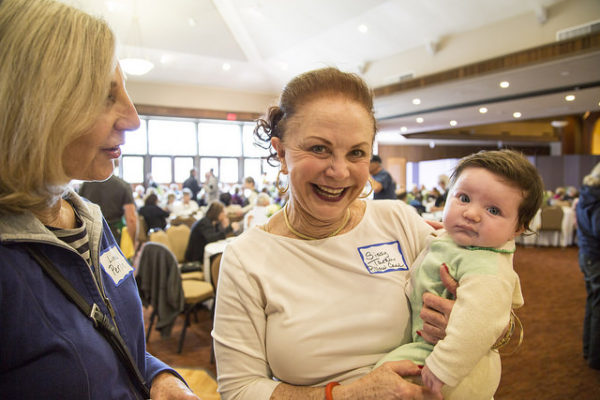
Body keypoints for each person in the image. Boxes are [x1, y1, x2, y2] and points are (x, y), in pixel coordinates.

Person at [212, 67, 468, 400]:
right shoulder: (247, 258)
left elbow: (492, 299)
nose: (339, 171)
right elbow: (239, 389)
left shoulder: (400, 222)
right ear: (280, 153)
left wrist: (473, 324)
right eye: (319, 149)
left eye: (356, 153)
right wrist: (348, 395)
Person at [0, 1, 199, 398]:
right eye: (105, 97)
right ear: (34, 107)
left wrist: (160, 377)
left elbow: (116, 343)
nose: (133, 119)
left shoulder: (86, 217)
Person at [376, 150, 544, 399]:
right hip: (433, 348)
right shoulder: (454, 241)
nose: (471, 214)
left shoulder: (486, 267)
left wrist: (444, 366)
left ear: (518, 228)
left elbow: (479, 324)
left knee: (380, 378)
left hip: (450, 364)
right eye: (463, 198)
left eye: (494, 211)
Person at [576, 162, 600, 370]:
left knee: (594, 303)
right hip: (596, 256)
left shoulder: (588, 195)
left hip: (588, 255)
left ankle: (589, 351)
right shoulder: (596, 199)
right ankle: (595, 356)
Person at [79, 173, 137, 244]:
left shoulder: (86, 184)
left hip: (90, 233)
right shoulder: (123, 185)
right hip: (113, 234)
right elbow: (131, 219)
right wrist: (133, 242)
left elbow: (78, 210)